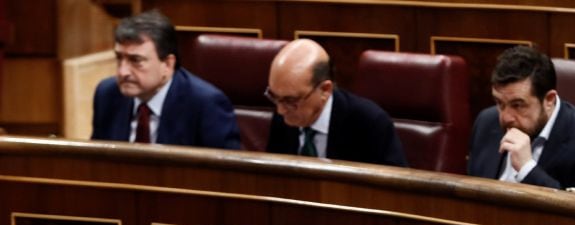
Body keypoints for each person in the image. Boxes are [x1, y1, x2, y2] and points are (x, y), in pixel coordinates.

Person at [467, 46, 575, 196]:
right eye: (500, 103)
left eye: (517, 105)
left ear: (549, 100)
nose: (505, 117)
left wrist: (527, 169)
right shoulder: (485, 122)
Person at [91, 10, 241, 150]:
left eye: (136, 60)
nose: (122, 72)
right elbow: (95, 163)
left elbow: (227, 175)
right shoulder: (107, 94)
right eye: (119, 58)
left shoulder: (206, 105)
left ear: (168, 64)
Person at [265, 38, 408, 167]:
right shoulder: (284, 116)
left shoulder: (370, 123)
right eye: (274, 97)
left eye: (291, 100)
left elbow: (396, 189)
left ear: (325, 90)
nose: (280, 110)